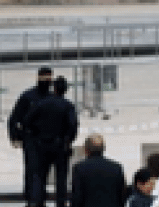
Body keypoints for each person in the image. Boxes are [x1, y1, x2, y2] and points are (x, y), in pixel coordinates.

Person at [27, 76, 79, 207]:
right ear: (65, 90)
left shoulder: (41, 103)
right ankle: (60, 203)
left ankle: (39, 202)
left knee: (40, 177)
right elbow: (73, 125)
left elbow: (27, 120)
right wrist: (68, 140)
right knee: (61, 178)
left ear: (54, 88)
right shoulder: (68, 106)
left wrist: (36, 133)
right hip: (60, 145)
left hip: (42, 145)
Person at [9, 66, 53, 206]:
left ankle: (40, 199)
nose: (47, 82)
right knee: (32, 170)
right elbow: (14, 118)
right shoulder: (27, 97)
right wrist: (15, 136)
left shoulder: (52, 97)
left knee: (44, 171)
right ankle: (31, 199)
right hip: (31, 140)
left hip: (47, 140)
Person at [70, 134, 128, 207]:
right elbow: (122, 196)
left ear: (86, 149)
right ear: (103, 149)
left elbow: (77, 197)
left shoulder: (79, 168)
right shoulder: (117, 167)